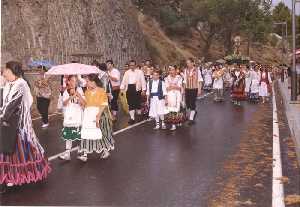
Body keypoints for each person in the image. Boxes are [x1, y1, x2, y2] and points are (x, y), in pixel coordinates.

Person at [0, 61, 51, 193]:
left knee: (22, 150)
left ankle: (35, 172)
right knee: (8, 153)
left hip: (18, 126)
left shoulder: (20, 85)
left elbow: (11, 105)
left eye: (5, 69)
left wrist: (2, 116)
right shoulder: (7, 84)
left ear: (11, 71)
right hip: (7, 125)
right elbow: (3, 102)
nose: (3, 71)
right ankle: (9, 178)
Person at [78, 74, 114, 162]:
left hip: (99, 114)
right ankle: (84, 154)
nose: (86, 83)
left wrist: (98, 115)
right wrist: (79, 98)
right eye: (86, 81)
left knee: (99, 134)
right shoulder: (87, 92)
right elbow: (85, 104)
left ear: (93, 82)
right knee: (86, 133)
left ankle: (105, 150)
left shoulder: (101, 91)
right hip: (88, 114)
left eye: (87, 81)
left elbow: (104, 104)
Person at [59, 76, 85, 161]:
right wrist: (71, 96)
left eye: (75, 80)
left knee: (80, 134)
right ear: (69, 81)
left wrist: (78, 95)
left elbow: (83, 103)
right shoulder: (65, 91)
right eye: (73, 80)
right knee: (68, 134)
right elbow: (64, 103)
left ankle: (83, 153)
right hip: (69, 115)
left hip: (78, 115)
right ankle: (67, 153)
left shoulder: (80, 89)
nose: (74, 82)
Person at [120, 60, 146, 124]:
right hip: (129, 89)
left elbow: (143, 81)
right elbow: (123, 81)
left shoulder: (140, 72)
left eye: (133, 65)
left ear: (135, 65)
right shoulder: (127, 72)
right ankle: (132, 118)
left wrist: (143, 90)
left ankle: (139, 115)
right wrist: (121, 89)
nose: (132, 66)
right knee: (130, 104)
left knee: (137, 104)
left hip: (137, 89)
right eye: (131, 65)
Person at [183, 58, 203, 125]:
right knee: (187, 103)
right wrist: (183, 89)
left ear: (192, 63)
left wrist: (199, 90)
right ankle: (193, 111)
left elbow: (200, 80)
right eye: (187, 63)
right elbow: (185, 80)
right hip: (187, 88)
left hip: (194, 89)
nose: (187, 64)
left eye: (189, 63)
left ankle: (191, 119)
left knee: (192, 103)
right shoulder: (185, 70)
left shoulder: (197, 70)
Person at [165, 66, 184, 130]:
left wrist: (172, 86)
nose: (171, 71)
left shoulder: (179, 77)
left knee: (177, 109)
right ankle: (173, 124)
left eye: (173, 70)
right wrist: (174, 86)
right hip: (170, 95)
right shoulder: (166, 78)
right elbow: (166, 88)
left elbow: (179, 87)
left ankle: (178, 121)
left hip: (177, 95)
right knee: (170, 109)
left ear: (176, 70)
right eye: (170, 70)